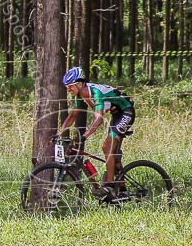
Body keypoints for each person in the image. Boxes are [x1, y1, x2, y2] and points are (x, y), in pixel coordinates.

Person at [55, 66, 135, 198]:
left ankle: (109, 187)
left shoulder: (96, 93)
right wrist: (58, 133)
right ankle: (122, 189)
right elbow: (72, 117)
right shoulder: (80, 95)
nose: (68, 90)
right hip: (116, 114)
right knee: (113, 153)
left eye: (70, 86)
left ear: (80, 84)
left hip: (126, 111)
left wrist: (84, 137)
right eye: (66, 87)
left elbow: (98, 120)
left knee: (107, 147)